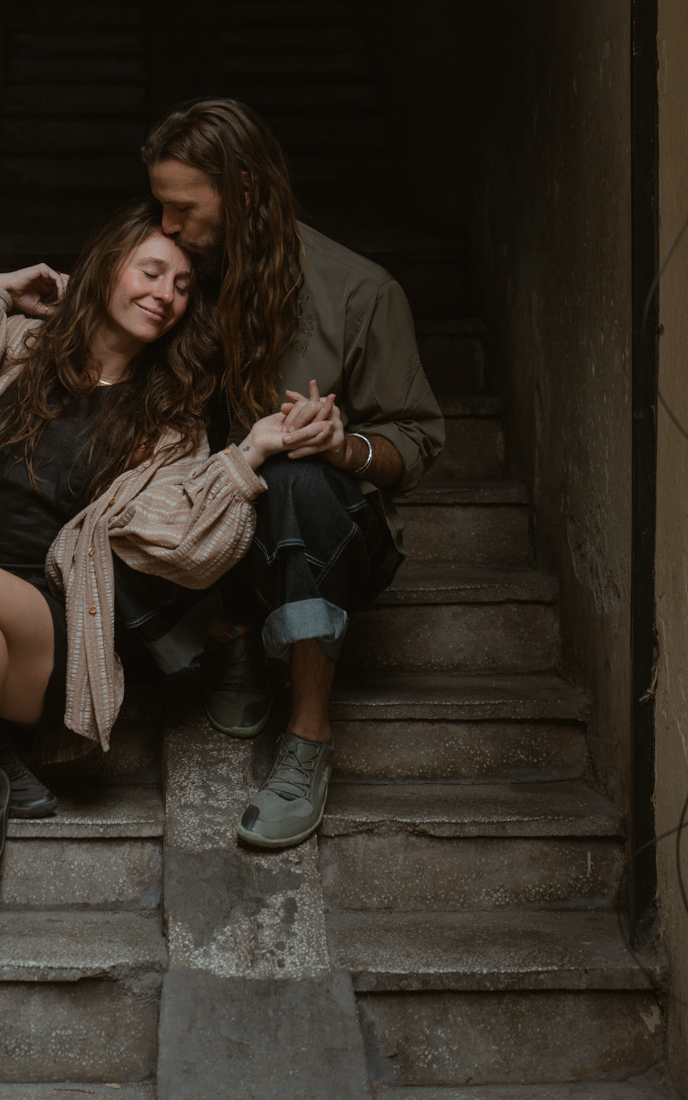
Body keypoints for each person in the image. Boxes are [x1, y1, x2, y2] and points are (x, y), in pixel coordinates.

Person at [0, 201, 330, 923]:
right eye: (150, 272)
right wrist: (2, 287)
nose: (165, 295)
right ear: (105, 269)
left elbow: (189, 547)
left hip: (44, 638)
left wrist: (247, 456)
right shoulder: (17, 350)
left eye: (182, 285)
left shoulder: (168, 421)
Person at [143, 98, 445, 850]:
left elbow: (416, 443)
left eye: (183, 208)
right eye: (160, 206)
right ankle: (233, 631)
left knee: (297, 478)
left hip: (329, 537)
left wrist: (345, 447)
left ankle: (308, 736)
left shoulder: (360, 291)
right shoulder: (168, 278)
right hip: (212, 533)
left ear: (243, 188)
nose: (167, 225)